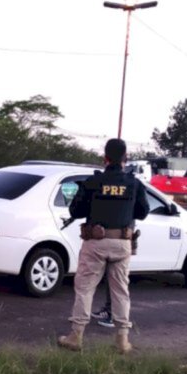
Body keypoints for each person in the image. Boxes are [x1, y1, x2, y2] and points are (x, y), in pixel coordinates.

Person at [59, 138, 149, 353]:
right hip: (122, 242)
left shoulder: (93, 182)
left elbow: (75, 211)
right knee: (120, 290)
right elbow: (143, 212)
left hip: (96, 243)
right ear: (125, 158)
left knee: (85, 288)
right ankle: (122, 340)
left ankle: (76, 336)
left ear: (105, 158)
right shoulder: (134, 183)